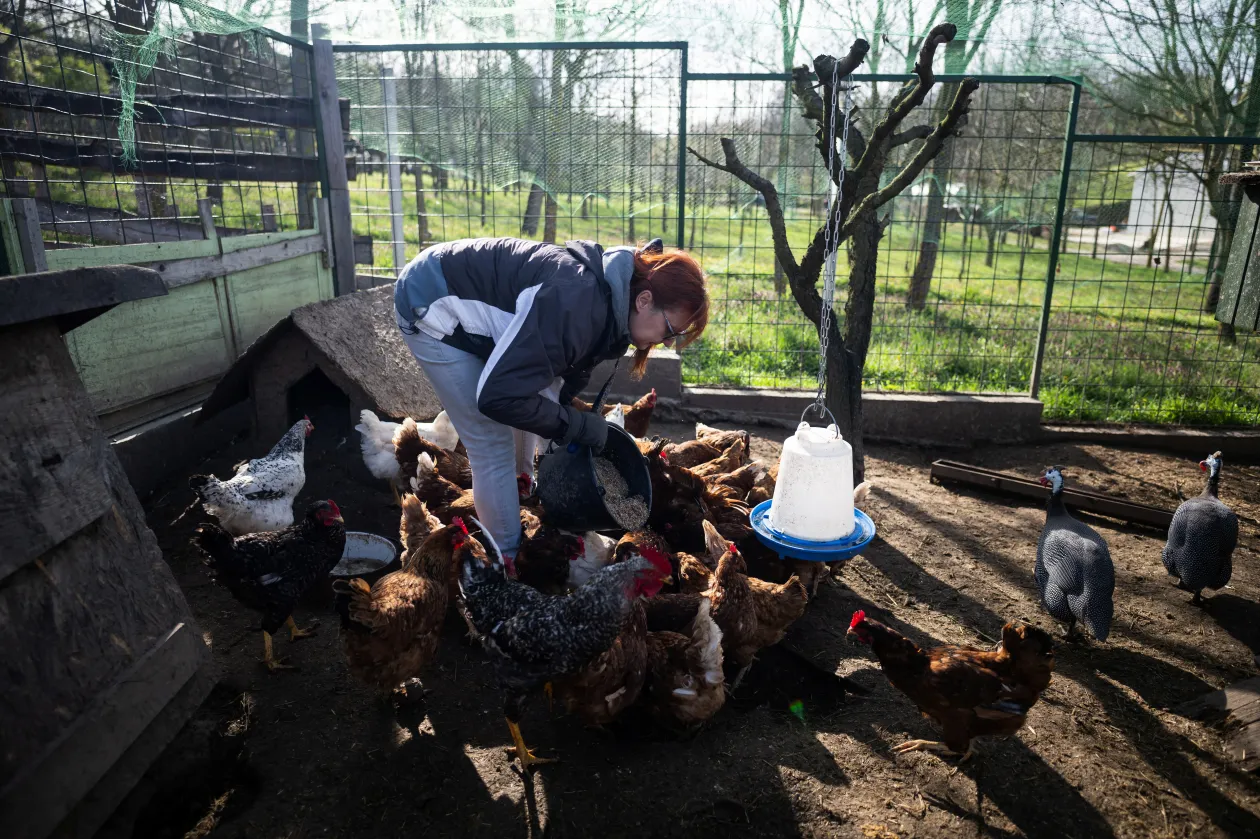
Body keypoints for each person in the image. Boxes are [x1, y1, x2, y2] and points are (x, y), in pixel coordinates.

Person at [394, 236, 709, 565]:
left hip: (460, 295)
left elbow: (552, 374)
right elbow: (498, 397)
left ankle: (520, 489)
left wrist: (567, 417)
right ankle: (508, 561)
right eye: (671, 330)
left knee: (538, 397)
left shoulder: (607, 300)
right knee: (491, 440)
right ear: (644, 300)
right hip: (429, 300)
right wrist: (572, 424)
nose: (667, 342)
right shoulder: (575, 302)